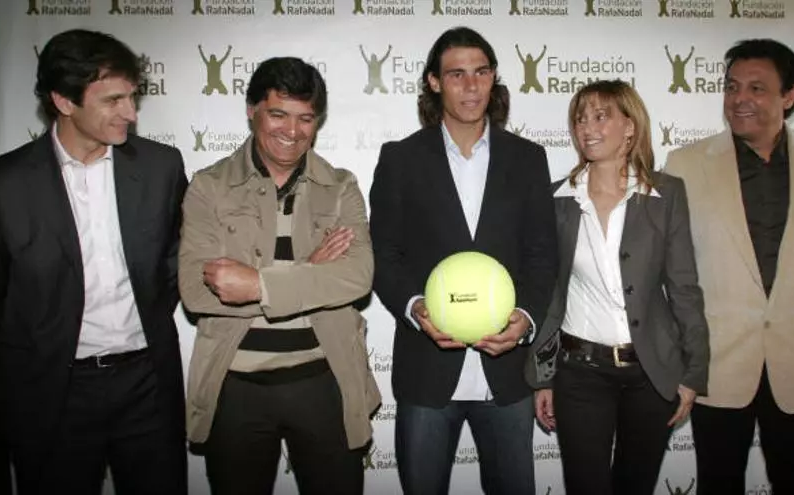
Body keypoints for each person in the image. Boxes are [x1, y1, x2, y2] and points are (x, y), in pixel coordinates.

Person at [0, 29, 188, 494]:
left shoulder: (161, 167)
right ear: (64, 101)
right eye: (113, 100)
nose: (131, 113)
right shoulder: (4, 184)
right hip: (53, 395)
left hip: (147, 386)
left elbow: (174, 261)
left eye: (132, 97)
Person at [665, 38, 794, 495]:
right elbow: (675, 274)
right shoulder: (685, 164)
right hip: (719, 365)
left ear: (790, 95)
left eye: (757, 88)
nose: (740, 99)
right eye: (732, 87)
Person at [369, 26, 558, 495]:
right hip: (427, 373)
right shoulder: (400, 159)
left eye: (481, 72)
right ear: (434, 82)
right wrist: (415, 308)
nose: (471, 86)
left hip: (508, 374)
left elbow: (542, 255)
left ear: (493, 78)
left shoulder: (528, 159)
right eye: (456, 74)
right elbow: (384, 253)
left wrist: (526, 319)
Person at [179, 56, 380, 495]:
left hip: (325, 379)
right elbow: (196, 291)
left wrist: (256, 284)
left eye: (306, 118)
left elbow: (358, 276)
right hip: (235, 387)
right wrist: (310, 271)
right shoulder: (209, 186)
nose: (292, 131)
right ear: (252, 111)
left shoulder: (340, 186)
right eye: (278, 114)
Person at [526, 80, 709, 495]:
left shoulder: (666, 193)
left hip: (651, 375)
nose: (586, 128)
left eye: (600, 116)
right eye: (580, 119)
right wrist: (542, 376)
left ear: (630, 126)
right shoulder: (556, 199)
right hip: (579, 374)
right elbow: (546, 294)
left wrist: (693, 373)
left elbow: (684, 288)